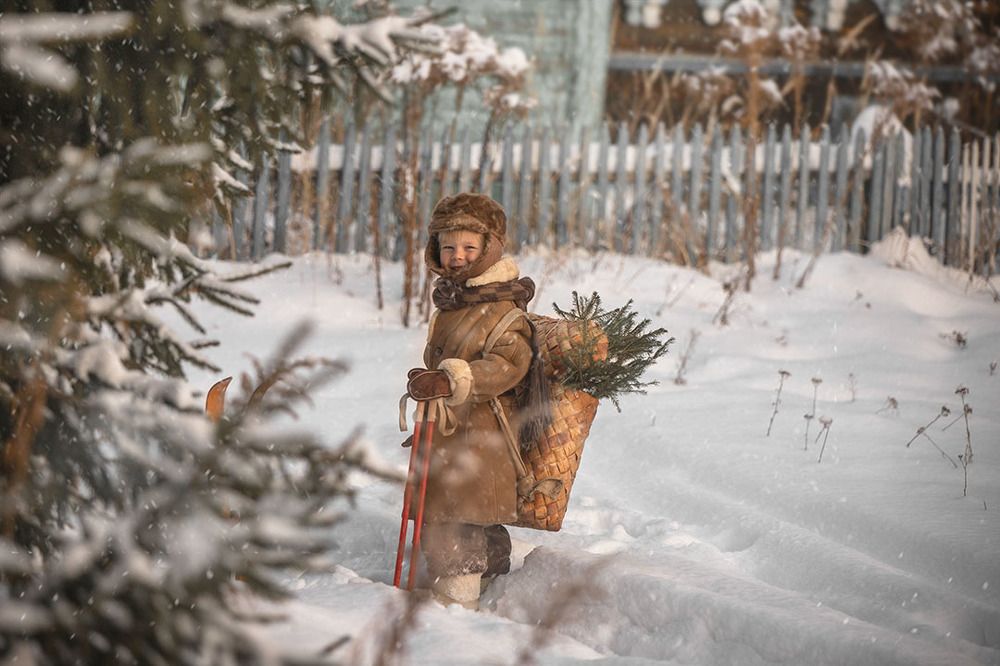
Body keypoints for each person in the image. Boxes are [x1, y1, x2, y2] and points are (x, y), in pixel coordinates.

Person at [403, 192, 543, 609]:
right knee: (454, 508)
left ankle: (455, 602)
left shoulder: (502, 305)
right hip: (449, 429)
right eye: (449, 247)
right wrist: (428, 377)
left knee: (459, 511)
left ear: (489, 249)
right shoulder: (453, 303)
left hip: (484, 432)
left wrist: (453, 379)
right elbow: (443, 359)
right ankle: (492, 568)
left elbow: (508, 363)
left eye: (468, 247)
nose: (458, 256)